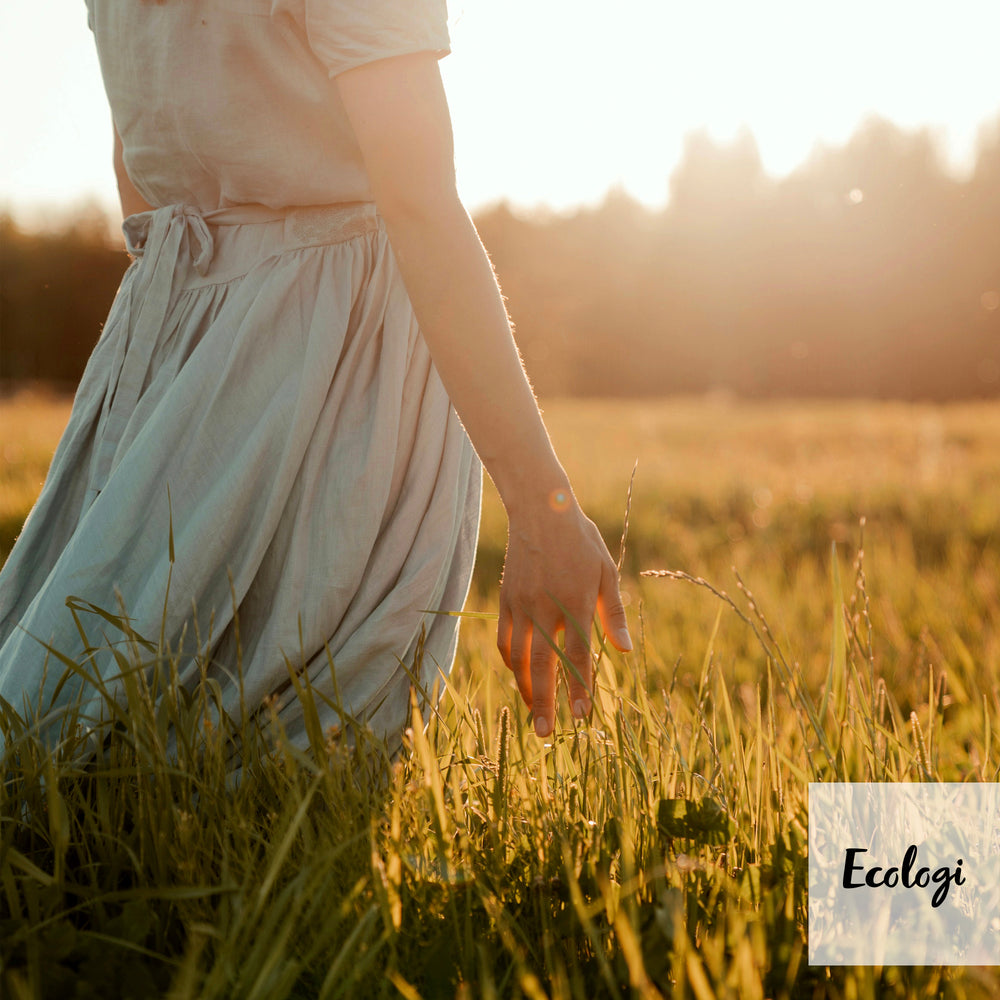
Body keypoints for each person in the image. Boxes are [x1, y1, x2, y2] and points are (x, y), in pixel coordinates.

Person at [0, 0, 631, 751]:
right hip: (341, 348)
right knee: (305, 736)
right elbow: (418, 203)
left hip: (173, 319)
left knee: (96, 688)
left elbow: (139, 187)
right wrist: (540, 507)